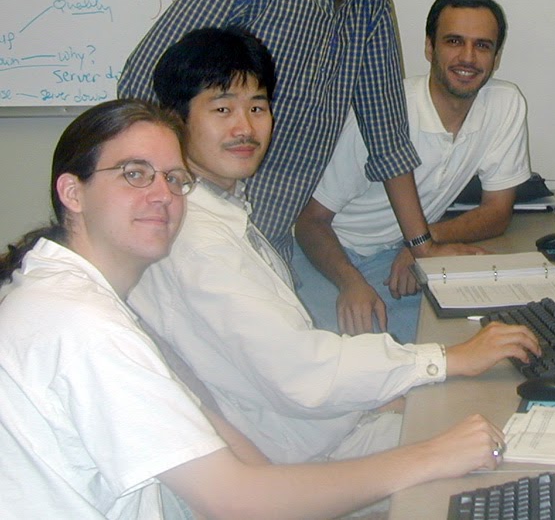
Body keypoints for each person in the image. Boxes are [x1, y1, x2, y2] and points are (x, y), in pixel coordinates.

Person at [0, 99, 510, 519]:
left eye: (174, 179)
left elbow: (219, 433)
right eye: (135, 174)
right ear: (73, 192)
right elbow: (236, 501)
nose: (162, 196)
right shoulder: (79, 324)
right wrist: (430, 456)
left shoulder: (86, 298)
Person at [127, 26, 539, 465]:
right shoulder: (200, 243)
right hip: (301, 457)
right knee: (509, 438)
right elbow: (302, 374)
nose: (245, 127)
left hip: (321, 426)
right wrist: (448, 359)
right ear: (176, 119)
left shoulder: (217, 208)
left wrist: (384, 392)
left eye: (258, 107)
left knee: (496, 418)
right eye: (222, 109)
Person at [118, 0, 475, 272]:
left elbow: (388, 136)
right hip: (190, 228)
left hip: (270, 238)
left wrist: (422, 246)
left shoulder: (373, 4)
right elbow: (142, 82)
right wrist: (166, 193)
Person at [294, 0, 531, 343]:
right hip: (330, 256)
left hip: (399, 254)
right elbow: (309, 221)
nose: (468, 58)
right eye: (454, 41)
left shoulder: (505, 104)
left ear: (496, 57)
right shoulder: (384, 113)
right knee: (349, 356)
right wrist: (350, 282)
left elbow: (498, 211)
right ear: (429, 48)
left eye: (482, 46)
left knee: (477, 326)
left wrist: (423, 243)